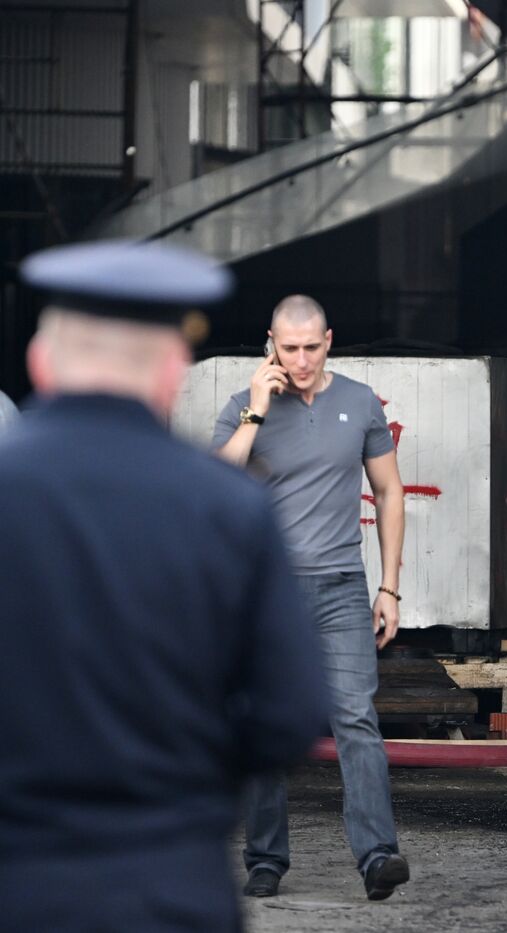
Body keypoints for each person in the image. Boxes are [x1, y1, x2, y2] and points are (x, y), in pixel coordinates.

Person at [0, 240, 327, 932]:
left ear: (40, 360)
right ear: (174, 370)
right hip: (171, 884)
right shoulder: (230, 508)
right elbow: (291, 714)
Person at [212, 294, 410, 900]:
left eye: (311, 346)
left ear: (330, 339)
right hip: (263, 592)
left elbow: (390, 492)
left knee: (355, 718)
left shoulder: (358, 401)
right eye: (287, 347)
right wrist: (256, 410)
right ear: (269, 341)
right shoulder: (244, 406)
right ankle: (266, 859)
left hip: (341, 588)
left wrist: (390, 586)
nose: (299, 359)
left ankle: (378, 855)